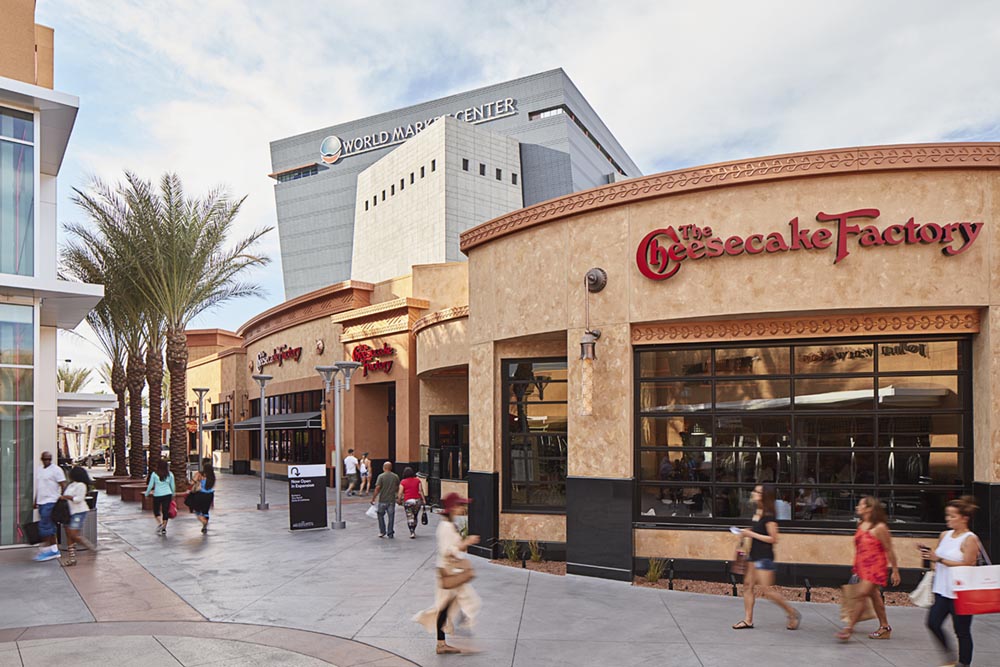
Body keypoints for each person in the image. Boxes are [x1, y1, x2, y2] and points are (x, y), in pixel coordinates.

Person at [414, 492, 481, 654]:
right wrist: (467, 542)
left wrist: (464, 543)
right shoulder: (445, 527)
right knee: (448, 606)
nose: (462, 509)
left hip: (451, 571)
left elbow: (455, 548)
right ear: (452, 508)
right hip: (448, 572)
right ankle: (445, 641)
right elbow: (447, 551)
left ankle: (444, 641)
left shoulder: (450, 525)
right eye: (459, 505)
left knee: (453, 605)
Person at [920, 496, 982, 667]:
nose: (949, 519)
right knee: (932, 623)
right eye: (947, 515)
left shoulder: (970, 539)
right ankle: (949, 654)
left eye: (953, 516)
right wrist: (929, 556)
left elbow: (968, 564)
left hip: (960, 593)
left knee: (961, 631)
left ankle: (963, 663)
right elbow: (937, 560)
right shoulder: (944, 535)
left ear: (964, 518)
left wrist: (939, 559)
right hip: (942, 589)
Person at [731, 483, 801, 630]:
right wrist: (746, 532)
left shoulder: (769, 516)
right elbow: (759, 530)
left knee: (767, 591)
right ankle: (748, 620)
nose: (754, 493)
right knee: (747, 586)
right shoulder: (758, 512)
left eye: (758, 492)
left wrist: (751, 534)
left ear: (764, 496)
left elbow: (773, 538)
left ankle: (792, 612)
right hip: (753, 554)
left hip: (764, 557)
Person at [837, 496, 901, 641]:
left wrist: (895, 571)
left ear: (869, 508)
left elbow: (889, 550)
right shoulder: (861, 523)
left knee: (861, 595)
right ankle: (885, 627)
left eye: (860, 505)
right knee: (874, 596)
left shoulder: (879, 528)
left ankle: (849, 629)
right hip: (862, 566)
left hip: (875, 567)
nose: (857, 507)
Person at [59, 466, 96, 566]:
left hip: (79, 511)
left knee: (73, 534)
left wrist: (67, 497)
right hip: (69, 512)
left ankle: (88, 545)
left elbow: (78, 499)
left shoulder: (81, 485)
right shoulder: (71, 485)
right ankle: (72, 558)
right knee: (69, 535)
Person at [33, 451, 66, 562]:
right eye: (44, 459)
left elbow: (63, 484)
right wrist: (35, 500)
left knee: (44, 526)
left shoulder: (56, 470)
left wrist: (62, 497)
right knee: (49, 527)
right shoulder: (40, 469)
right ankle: (53, 549)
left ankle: (46, 550)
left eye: (48, 459)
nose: (46, 461)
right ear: (41, 459)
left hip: (51, 501)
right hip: (41, 501)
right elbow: (39, 486)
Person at [144, 459, 175, 536]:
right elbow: (173, 485)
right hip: (167, 494)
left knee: (156, 511)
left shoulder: (154, 474)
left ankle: (161, 523)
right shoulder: (170, 474)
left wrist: (146, 493)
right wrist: (173, 494)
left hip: (157, 495)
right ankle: (164, 528)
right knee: (165, 511)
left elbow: (151, 485)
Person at [371, 461, 400, 538]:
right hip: (391, 500)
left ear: (384, 468)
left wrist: (373, 498)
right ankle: (390, 532)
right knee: (391, 517)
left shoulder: (381, 476)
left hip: (382, 499)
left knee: (380, 515)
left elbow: (377, 488)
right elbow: (397, 487)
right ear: (391, 468)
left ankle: (382, 531)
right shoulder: (395, 476)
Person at [398, 467, 426, 539]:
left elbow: (400, 492)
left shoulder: (403, 482)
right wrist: (423, 499)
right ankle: (414, 528)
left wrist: (399, 500)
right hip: (417, 500)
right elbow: (420, 490)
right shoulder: (417, 480)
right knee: (415, 516)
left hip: (408, 501)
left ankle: (412, 531)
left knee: (410, 516)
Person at [190, 462, 216, 534]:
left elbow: (192, 483)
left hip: (201, 494)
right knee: (205, 511)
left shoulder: (200, 474)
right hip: (210, 494)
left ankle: (203, 521)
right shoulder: (212, 476)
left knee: (197, 510)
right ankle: (205, 524)